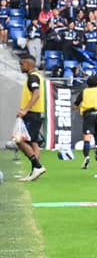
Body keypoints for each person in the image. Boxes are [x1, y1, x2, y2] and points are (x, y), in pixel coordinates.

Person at [15, 52, 47, 181]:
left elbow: (36, 94)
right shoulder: (37, 76)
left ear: (28, 64)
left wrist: (25, 110)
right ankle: (35, 171)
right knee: (33, 142)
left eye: (21, 64)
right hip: (36, 113)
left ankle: (37, 166)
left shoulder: (33, 77)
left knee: (19, 140)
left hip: (32, 114)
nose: (20, 66)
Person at [74, 73, 97, 170]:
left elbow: (75, 106)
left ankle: (87, 157)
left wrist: (82, 107)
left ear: (87, 84)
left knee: (87, 139)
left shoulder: (84, 92)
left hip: (88, 115)